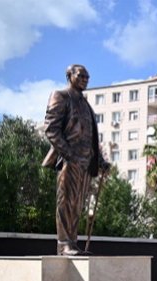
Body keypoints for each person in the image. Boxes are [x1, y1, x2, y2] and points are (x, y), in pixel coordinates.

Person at [42, 64, 110, 256]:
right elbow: (51, 129)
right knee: (66, 202)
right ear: (69, 75)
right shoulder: (61, 96)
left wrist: (101, 161)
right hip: (69, 160)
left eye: (87, 77)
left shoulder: (86, 104)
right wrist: (69, 154)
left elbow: (90, 138)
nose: (85, 79)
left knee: (77, 204)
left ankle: (72, 243)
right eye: (81, 75)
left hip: (86, 162)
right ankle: (64, 244)